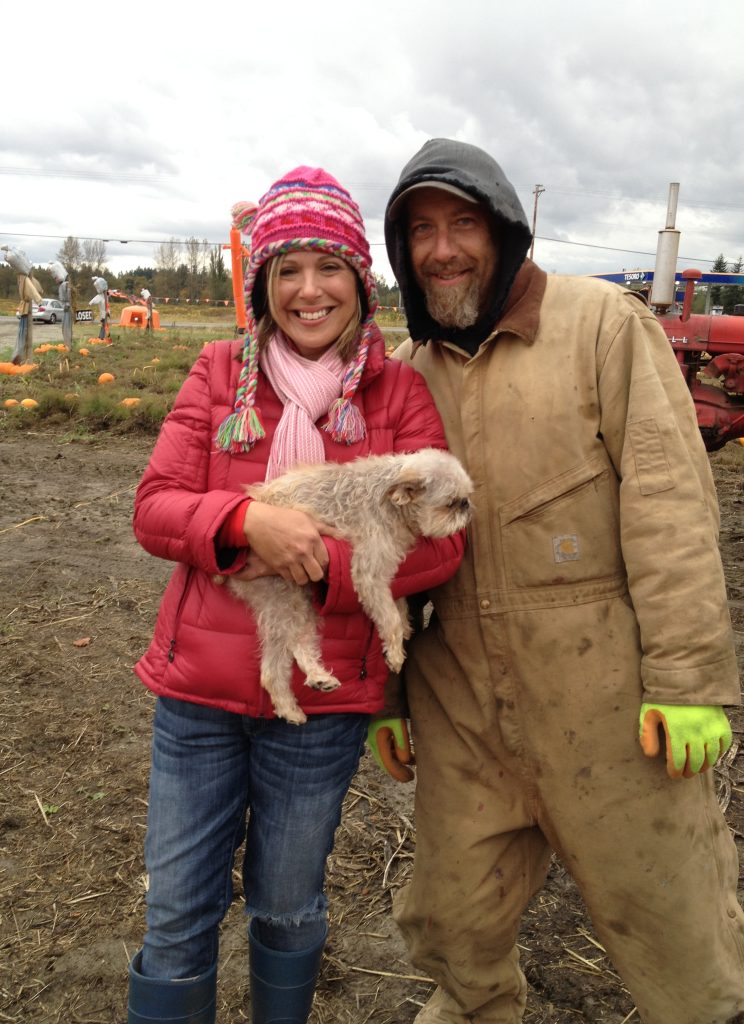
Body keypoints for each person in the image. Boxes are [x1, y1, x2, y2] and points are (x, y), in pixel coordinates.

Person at [376, 138, 744, 1024]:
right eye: (421, 231)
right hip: (461, 700)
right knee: (452, 920)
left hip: (607, 699)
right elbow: (388, 550)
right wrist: (387, 694)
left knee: (676, 926)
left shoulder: (602, 327)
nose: (442, 248)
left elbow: (670, 505)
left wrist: (689, 677)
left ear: (506, 229)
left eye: (463, 224)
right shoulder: (406, 373)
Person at [127, 166, 466, 1024]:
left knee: (284, 905)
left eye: (329, 268)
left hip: (323, 710)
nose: (308, 291)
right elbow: (156, 509)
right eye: (287, 270)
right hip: (197, 698)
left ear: (360, 278)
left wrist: (318, 561)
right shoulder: (217, 374)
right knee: (175, 916)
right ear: (264, 285)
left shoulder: (399, 394)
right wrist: (244, 525)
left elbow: (444, 545)